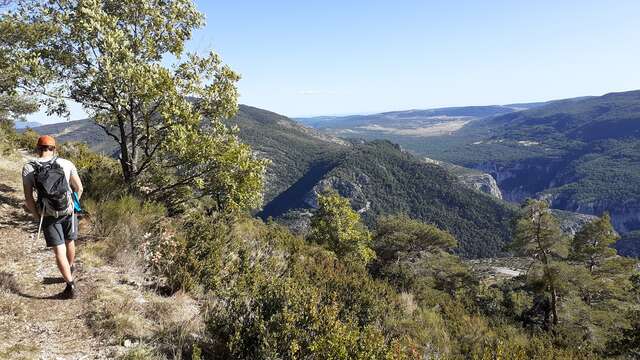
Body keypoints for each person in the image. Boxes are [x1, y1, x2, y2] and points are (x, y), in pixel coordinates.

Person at [22, 135, 83, 299]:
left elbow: (28, 198)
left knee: (59, 251)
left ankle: (70, 286)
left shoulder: (29, 167)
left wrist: (37, 215)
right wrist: (73, 205)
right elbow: (79, 188)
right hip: (69, 211)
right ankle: (69, 269)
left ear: (37, 148)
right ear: (54, 148)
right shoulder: (66, 163)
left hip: (48, 214)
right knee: (70, 241)